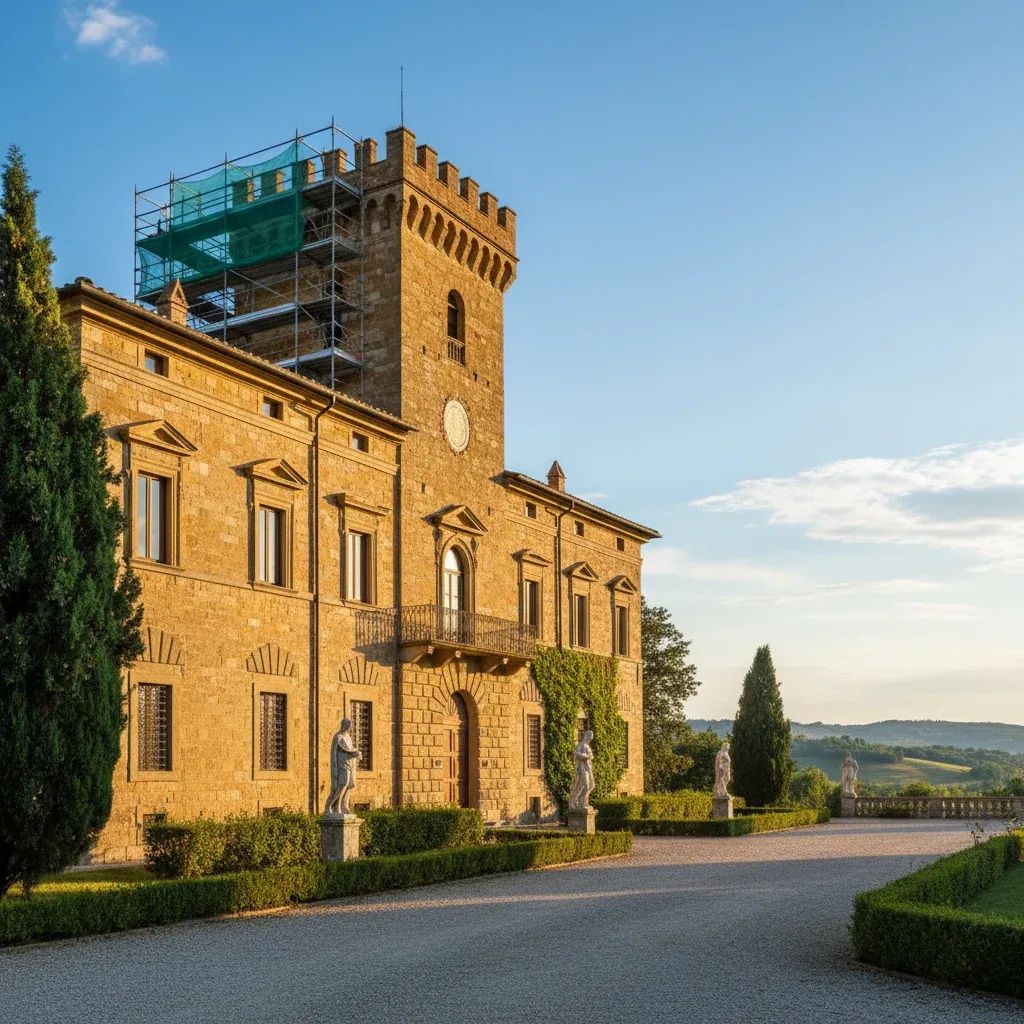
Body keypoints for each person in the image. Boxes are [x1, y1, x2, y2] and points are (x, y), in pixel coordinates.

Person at [324, 717, 359, 815]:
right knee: (342, 784)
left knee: (350, 785)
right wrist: (334, 768)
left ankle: (343, 806)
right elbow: (336, 752)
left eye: (350, 726)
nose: (349, 728)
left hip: (350, 763)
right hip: (341, 764)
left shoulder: (348, 736)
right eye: (348, 726)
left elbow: (350, 748)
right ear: (343, 725)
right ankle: (330, 806)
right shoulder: (338, 737)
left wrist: (356, 752)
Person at [567, 730, 595, 810]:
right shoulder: (580, 745)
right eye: (589, 737)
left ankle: (583, 801)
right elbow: (577, 754)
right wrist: (586, 756)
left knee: (591, 785)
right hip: (582, 767)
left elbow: (591, 756)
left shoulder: (587, 746)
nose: (590, 739)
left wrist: (589, 756)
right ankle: (579, 802)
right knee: (586, 785)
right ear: (586, 736)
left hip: (588, 767)